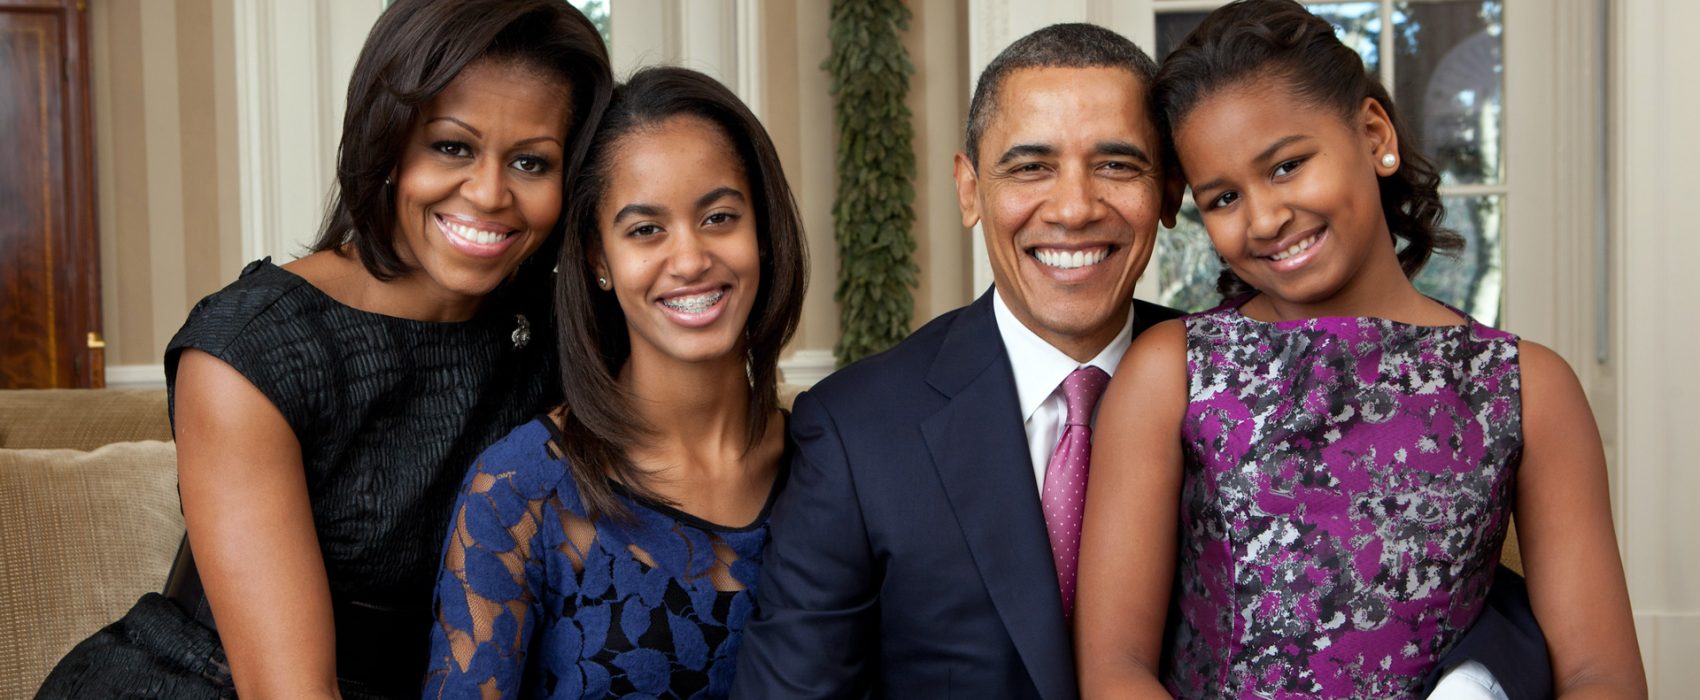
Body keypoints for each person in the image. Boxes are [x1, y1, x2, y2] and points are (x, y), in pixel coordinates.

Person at [38, 1, 612, 697]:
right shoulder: (252, 349)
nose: (490, 194)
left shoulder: (562, 337)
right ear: (389, 142)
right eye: (452, 146)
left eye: (531, 161)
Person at [1074, 1, 1645, 697]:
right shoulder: (1172, 372)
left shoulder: (1528, 386)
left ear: (1375, 134)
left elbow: (1601, 674)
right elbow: (1113, 668)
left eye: (1286, 166)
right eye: (1223, 198)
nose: (1264, 218)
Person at [732, 24, 1184, 699]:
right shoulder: (856, 431)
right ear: (969, 189)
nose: (1073, 208)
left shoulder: (1238, 388)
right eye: (1031, 167)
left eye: (1117, 165)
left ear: (1170, 192)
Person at [421, 66, 807, 699]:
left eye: (719, 217)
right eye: (645, 230)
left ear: (761, 232)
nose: (689, 259)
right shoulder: (520, 491)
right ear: (599, 258)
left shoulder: (830, 464)